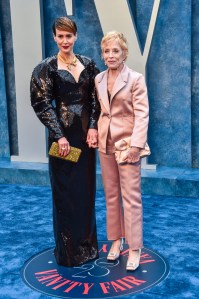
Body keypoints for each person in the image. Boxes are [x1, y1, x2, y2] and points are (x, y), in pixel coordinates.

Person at [30, 17, 100, 267]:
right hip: (62, 140)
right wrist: (59, 135)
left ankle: (89, 248)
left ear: (76, 36)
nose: (64, 40)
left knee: (85, 190)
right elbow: (41, 105)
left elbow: (96, 100)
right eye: (60, 36)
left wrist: (93, 127)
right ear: (54, 38)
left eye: (68, 36)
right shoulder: (45, 68)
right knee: (65, 191)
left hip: (85, 138)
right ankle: (69, 252)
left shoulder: (89, 64)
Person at [95, 31, 149, 271]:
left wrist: (137, 146)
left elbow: (142, 114)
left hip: (127, 145)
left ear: (124, 53)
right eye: (106, 51)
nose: (110, 55)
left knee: (131, 198)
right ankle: (116, 241)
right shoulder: (98, 79)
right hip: (105, 143)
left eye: (115, 50)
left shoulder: (136, 79)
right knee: (111, 196)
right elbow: (101, 112)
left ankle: (134, 248)